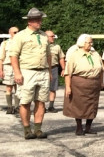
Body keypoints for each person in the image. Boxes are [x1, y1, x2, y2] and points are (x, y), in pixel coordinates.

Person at [8, 8, 52, 139]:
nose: (40, 22)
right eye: (37, 20)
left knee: (41, 101)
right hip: (27, 72)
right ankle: (27, 130)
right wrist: (17, 72)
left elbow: (48, 55)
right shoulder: (21, 36)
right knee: (25, 102)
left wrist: (49, 71)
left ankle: (38, 129)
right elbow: (13, 55)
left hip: (42, 72)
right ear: (30, 21)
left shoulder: (44, 35)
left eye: (40, 19)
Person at [63, 34, 104, 135]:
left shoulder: (95, 54)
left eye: (91, 42)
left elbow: (101, 69)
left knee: (92, 106)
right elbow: (68, 72)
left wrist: (101, 81)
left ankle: (88, 127)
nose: (91, 44)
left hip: (94, 83)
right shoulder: (74, 55)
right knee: (79, 105)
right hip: (79, 83)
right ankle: (79, 127)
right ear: (82, 43)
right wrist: (68, 86)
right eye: (89, 42)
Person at [1, 26, 20, 115]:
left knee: (18, 88)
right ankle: (9, 106)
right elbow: (1, 58)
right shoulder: (5, 43)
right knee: (9, 88)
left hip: (18, 67)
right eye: (15, 32)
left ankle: (17, 107)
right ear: (10, 33)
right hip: (8, 67)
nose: (17, 34)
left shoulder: (20, 42)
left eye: (18, 32)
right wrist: (1, 70)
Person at [45, 31, 64, 113]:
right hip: (43, 69)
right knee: (42, 88)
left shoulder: (57, 47)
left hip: (54, 68)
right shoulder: (41, 46)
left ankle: (51, 106)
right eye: (51, 36)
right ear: (46, 37)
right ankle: (41, 106)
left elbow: (61, 58)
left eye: (53, 36)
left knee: (53, 88)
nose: (53, 37)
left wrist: (63, 68)